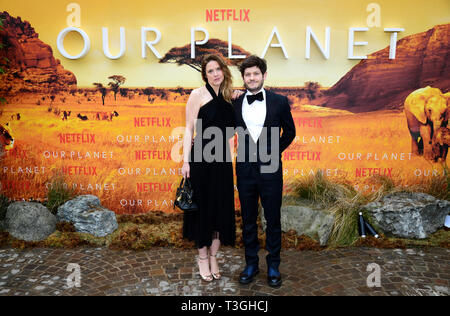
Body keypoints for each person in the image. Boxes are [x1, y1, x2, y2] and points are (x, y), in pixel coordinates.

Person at [233, 55, 296, 288]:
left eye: (256, 74)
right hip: (245, 170)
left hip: (271, 169)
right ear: (243, 78)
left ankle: (273, 266)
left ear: (264, 75)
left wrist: (274, 151)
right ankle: (251, 264)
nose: (252, 78)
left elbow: (290, 132)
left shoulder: (279, 101)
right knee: (248, 219)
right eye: (247, 75)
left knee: (273, 219)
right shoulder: (236, 103)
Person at [181, 54, 236, 282]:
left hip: (222, 160)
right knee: (203, 209)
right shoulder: (197, 95)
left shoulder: (229, 95)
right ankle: (202, 258)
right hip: (201, 159)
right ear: (205, 74)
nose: (215, 74)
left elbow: (232, 130)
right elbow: (187, 130)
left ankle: (214, 256)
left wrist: (238, 97)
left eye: (218, 69)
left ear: (224, 70)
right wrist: (185, 161)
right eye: (210, 70)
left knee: (220, 208)